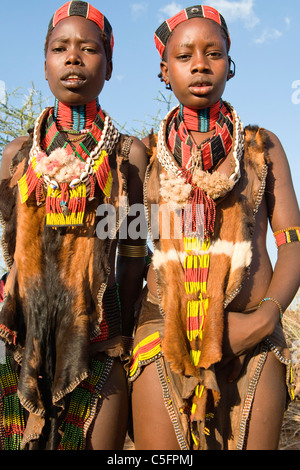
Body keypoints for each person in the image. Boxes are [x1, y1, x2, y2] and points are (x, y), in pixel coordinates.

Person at [130, 5, 300, 450]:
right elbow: (121, 245)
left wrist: (266, 317)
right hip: (162, 334)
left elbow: (293, 245)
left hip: (251, 332)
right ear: (164, 71)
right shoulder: (144, 154)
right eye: (185, 57)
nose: (201, 64)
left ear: (231, 64)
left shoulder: (261, 146)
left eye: (214, 53)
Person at [0, 1, 148, 450]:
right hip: (22, 338)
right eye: (60, 48)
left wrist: (112, 326)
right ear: (44, 65)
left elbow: (135, 250)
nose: (73, 57)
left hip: (99, 341)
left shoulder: (128, 155)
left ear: (109, 65)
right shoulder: (17, 155)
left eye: (89, 48)